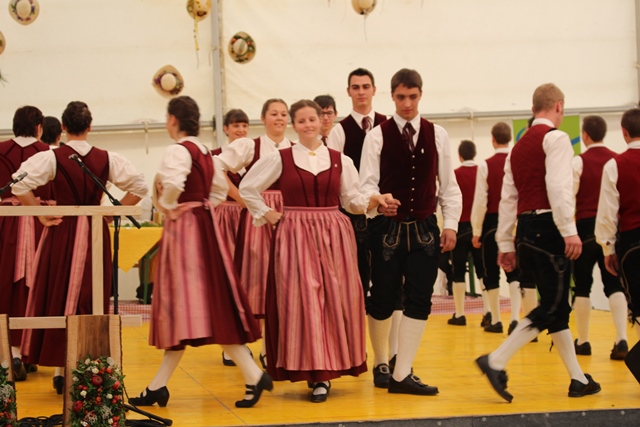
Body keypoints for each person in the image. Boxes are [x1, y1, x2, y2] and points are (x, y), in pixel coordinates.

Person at [238, 99, 392, 403]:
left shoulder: (339, 159)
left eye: (313, 119)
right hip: (294, 235)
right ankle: (311, 368)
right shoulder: (281, 158)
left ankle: (324, 373)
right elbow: (248, 188)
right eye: (302, 120)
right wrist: (267, 213)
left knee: (333, 301)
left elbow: (351, 201)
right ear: (294, 125)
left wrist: (372, 201)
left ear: (323, 121)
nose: (308, 125)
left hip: (334, 235)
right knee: (302, 301)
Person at [129, 96, 271, 408]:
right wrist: (204, 207)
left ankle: (251, 374)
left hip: (186, 232)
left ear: (173, 120)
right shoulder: (206, 153)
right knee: (207, 305)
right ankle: (159, 386)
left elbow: (173, 183)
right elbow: (218, 190)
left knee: (187, 305)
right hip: (206, 227)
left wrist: (169, 206)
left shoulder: (178, 150)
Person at [12, 101, 148, 394]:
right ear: (90, 126)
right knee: (90, 299)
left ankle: (61, 370)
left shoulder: (52, 157)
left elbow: (18, 184)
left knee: (59, 294)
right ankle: (83, 369)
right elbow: (140, 186)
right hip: (95, 233)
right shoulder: (107, 158)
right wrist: (111, 214)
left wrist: (40, 213)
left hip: (64, 230)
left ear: (63, 127)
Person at [476, 83, 601, 402]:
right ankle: (496, 360)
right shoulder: (556, 139)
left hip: (526, 231)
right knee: (553, 305)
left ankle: (578, 379)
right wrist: (569, 230)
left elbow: (508, 199)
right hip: (549, 228)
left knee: (555, 307)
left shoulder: (516, 149)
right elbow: (558, 187)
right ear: (559, 106)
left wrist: (506, 243)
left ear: (533, 110)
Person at [359, 68, 461, 395]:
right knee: (383, 297)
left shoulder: (438, 134)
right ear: (392, 96)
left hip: (425, 228)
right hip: (386, 228)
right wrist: (378, 202)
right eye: (401, 97)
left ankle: (402, 372)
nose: (407, 103)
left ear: (420, 95)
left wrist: (450, 224)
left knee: (419, 298)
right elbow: (365, 186)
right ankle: (381, 362)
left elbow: (449, 186)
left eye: (413, 97)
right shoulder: (376, 136)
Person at [326, 68, 403, 365]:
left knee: (394, 284)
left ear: (374, 90)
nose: (361, 91)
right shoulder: (339, 131)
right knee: (355, 286)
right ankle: (358, 351)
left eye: (365, 86)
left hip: (387, 216)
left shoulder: (390, 125)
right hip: (352, 219)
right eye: (355, 87)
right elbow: (334, 178)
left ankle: (393, 353)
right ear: (348, 91)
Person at [215, 99, 292, 369]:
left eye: (284, 114)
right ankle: (236, 345)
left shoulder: (295, 148)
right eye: (274, 114)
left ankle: (269, 348)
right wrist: (243, 199)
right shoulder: (251, 146)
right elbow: (215, 166)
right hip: (258, 219)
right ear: (263, 118)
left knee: (281, 281)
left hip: (286, 219)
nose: (279, 118)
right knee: (252, 281)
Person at [0, 106, 52, 382]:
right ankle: (27, 351)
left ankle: (8, 352)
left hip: (5, 222)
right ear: (39, 127)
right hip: (39, 221)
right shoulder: (48, 152)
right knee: (38, 287)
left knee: (6, 286)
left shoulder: (1, 150)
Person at [572, 115, 627, 360]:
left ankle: (583, 341)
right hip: (613, 227)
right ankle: (622, 338)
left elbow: (569, 197)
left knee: (582, 285)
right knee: (614, 284)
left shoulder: (578, 162)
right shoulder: (617, 160)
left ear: (585, 135)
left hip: (584, 227)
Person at [470, 122, 531, 335]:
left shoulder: (485, 165)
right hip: (516, 220)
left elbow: (481, 201)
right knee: (514, 272)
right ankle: (515, 318)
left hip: (491, 222)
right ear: (510, 138)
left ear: (493, 139)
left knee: (491, 272)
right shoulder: (518, 161)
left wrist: (476, 230)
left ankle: (496, 320)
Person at [596, 108, 640, 344]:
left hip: (633, 242)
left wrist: (608, 249)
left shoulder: (615, 165)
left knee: (638, 304)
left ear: (624, 132)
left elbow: (608, 213)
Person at [213, 108, 253, 366]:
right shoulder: (216, 156)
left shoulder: (255, 155)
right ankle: (231, 346)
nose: (240, 130)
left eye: (244, 125)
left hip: (250, 218)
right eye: (236, 126)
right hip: (225, 217)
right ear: (226, 129)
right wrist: (242, 199)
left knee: (251, 280)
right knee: (229, 279)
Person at [447, 140, 484, 327]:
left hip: (460, 227)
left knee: (458, 271)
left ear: (460, 156)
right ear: (474, 153)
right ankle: (489, 313)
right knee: (483, 271)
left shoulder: (455, 174)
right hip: (479, 227)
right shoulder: (481, 173)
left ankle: (460, 314)